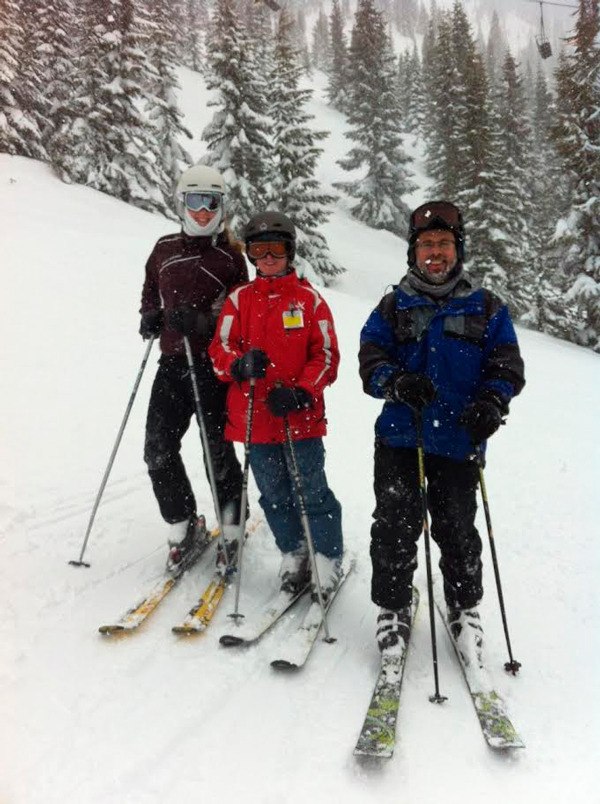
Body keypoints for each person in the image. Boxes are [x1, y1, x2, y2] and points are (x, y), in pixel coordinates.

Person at [358, 201, 525, 656]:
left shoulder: (486, 306)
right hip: (400, 437)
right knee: (394, 525)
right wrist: (394, 382)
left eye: (444, 244)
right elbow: (370, 355)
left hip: (458, 441)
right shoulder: (393, 305)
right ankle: (392, 608)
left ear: (459, 250)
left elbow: (506, 364)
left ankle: (464, 607)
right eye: (427, 244)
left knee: (456, 529)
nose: (436, 252)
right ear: (413, 252)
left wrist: (493, 401)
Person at [209, 211, 343, 600]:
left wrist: (302, 391)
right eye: (259, 249)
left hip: (299, 417)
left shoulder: (308, 300)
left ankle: (327, 556)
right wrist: (238, 363)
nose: (268, 258)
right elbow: (219, 348)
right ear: (250, 254)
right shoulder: (239, 300)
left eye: (277, 249)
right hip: (255, 420)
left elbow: (327, 356)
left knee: (311, 489)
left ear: (290, 252)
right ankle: (294, 552)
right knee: (273, 493)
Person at [139, 164, 248, 573]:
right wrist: (150, 315)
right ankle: (184, 525)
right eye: (195, 202)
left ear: (222, 207)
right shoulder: (164, 248)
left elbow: (240, 310)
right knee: (157, 448)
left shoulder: (230, 258)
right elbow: (151, 287)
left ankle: (233, 527)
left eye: (212, 203)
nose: (203, 212)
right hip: (171, 363)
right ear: (182, 202)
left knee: (215, 449)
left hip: (212, 366)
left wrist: (204, 323)